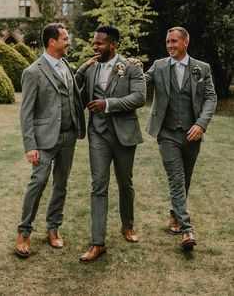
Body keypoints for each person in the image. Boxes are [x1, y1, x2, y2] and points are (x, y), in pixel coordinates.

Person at [75, 25, 146, 262]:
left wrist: (107, 104)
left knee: (125, 183)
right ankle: (98, 243)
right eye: (94, 42)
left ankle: (127, 225)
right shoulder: (91, 68)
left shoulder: (132, 67)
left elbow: (139, 97)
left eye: (99, 43)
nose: (95, 46)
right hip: (98, 135)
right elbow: (75, 87)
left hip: (124, 134)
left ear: (113, 44)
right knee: (98, 186)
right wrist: (85, 65)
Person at [15, 23, 86, 257]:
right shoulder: (32, 72)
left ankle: (53, 228)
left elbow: (75, 90)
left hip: (68, 137)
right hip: (44, 140)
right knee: (38, 183)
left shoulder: (67, 66)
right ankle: (24, 233)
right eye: (65, 39)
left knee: (61, 184)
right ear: (52, 42)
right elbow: (26, 113)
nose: (69, 42)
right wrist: (30, 146)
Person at [145, 26, 217, 249]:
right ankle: (187, 230)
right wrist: (129, 67)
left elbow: (211, 98)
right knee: (176, 179)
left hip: (191, 134)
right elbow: (139, 81)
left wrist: (201, 125)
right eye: (168, 42)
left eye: (174, 41)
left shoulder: (201, 68)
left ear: (186, 42)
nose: (170, 45)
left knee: (185, 179)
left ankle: (175, 215)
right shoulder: (159, 66)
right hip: (166, 133)